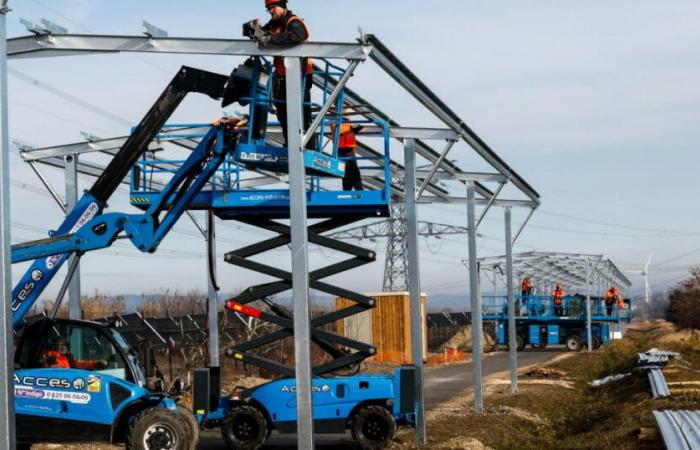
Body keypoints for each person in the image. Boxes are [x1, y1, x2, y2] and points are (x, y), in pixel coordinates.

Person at [243, 0, 314, 149]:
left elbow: (296, 36)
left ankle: (307, 146)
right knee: (282, 111)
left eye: (272, 7)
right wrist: (253, 30)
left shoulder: (294, 22)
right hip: (283, 75)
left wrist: (271, 39)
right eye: (268, 8)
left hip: (300, 75)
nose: (270, 11)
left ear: (282, 6)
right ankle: (291, 143)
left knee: (301, 112)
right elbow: (264, 34)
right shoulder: (275, 24)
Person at [331, 118, 364, 190]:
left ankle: (358, 188)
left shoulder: (347, 120)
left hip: (349, 147)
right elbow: (339, 130)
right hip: (341, 148)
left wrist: (354, 128)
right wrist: (351, 128)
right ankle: (348, 189)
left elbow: (354, 128)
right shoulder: (334, 119)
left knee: (353, 169)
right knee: (346, 170)